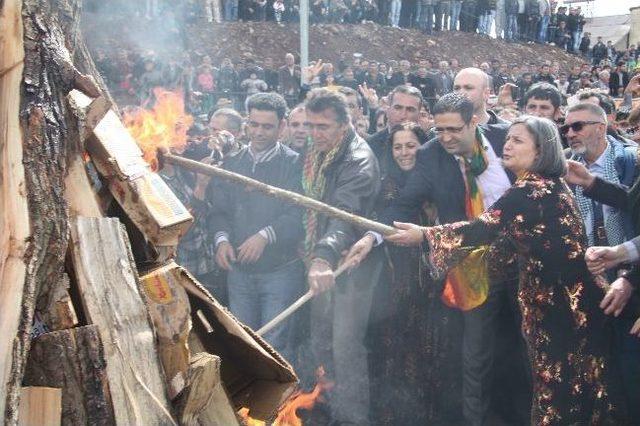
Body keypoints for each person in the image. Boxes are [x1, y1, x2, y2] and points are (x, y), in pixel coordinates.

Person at [381, 115, 627, 425]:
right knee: (580, 393)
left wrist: (424, 235)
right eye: (507, 139)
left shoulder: (529, 191)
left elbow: (479, 230)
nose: (506, 146)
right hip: (566, 305)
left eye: (517, 141)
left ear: (540, 151)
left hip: (563, 310)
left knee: (561, 396)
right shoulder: (545, 184)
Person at [347, 93, 530, 426]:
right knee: (475, 357)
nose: (444, 137)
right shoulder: (431, 155)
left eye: (453, 130)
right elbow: (405, 204)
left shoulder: (506, 140)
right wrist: (370, 236)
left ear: (475, 121)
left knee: (527, 349)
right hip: (473, 271)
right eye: (439, 128)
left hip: (523, 268)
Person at [365, 122, 462, 425]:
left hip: (436, 283)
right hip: (396, 284)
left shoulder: (441, 179)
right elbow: (386, 221)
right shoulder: (384, 183)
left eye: (411, 146)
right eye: (398, 147)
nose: (405, 153)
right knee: (394, 349)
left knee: (435, 350)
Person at [303, 88, 381, 425]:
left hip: (351, 264)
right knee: (321, 340)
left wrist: (323, 256)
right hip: (319, 259)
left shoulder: (358, 159)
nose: (315, 133)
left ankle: (353, 419)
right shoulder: (316, 153)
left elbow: (344, 213)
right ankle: (327, 409)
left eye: (323, 127)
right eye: (310, 126)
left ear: (344, 125)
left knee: (345, 345)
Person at [208, 92, 304, 364]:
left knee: (275, 345)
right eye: (254, 125)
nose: (259, 132)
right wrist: (222, 240)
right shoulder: (233, 162)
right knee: (243, 340)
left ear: (281, 127)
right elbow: (220, 210)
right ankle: (247, 405)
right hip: (239, 272)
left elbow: (297, 213)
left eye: (267, 126)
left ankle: (276, 406)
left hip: (280, 271)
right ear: (246, 124)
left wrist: (264, 236)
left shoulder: (294, 164)